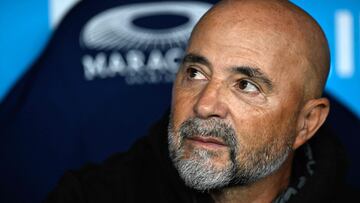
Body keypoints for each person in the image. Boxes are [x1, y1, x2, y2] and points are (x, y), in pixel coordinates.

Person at [46, 0, 357, 202]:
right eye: (195, 73)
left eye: (246, 85)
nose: (205, 105)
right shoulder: (90, 196)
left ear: (306, 123)